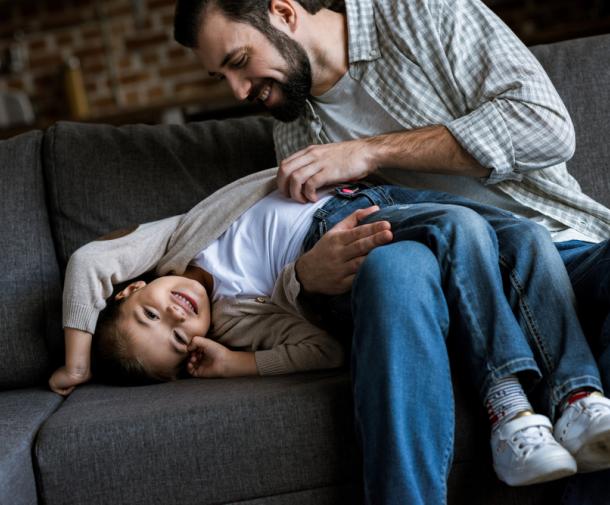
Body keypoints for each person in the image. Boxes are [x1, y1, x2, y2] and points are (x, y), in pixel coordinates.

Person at [173, 0, 610, 503]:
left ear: (284, 12)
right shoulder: (294, 135)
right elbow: (298, 256)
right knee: (394, 268)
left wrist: (371, 150)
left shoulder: (421, 14)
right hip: (451, 290)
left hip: (561, 245)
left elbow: (546, 128)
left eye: (238, 61)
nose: (239, 90)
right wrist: (303, 278)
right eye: (221, 77)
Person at [49, 165, 610, 492]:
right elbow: (321, 349)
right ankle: (509, 409)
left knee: (527, 238)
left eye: (150, 312)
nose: (176, 315)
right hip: (340, 232)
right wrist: (236, 362)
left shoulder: (176, 237)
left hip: (367, 190)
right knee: (461, 227)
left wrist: (77, 361)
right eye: (175, 340)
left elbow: (89, 263)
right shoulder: (239, 323)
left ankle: (576, 399)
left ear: (131, 290)